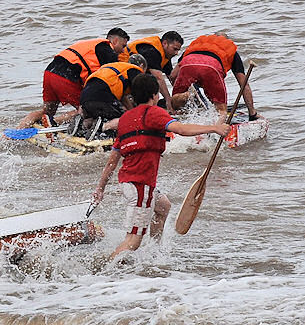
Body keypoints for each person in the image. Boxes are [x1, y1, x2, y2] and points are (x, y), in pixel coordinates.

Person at [92, 73, 231, 260]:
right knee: (133, 241)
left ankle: (154, 253)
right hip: (140, 185)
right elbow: (181, 129)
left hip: (128, 182)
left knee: (163, 206)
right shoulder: (155, 113)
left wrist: (100, 188)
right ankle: (104, 269)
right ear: (155, 95)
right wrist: (213, 128)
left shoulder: (125, 119)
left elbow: (113, 159)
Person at [18, 28, 129, 128]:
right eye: (123, 46)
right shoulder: (109, 52)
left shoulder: (93, 44)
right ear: (114, 41)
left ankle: (22, 127)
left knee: (48, 111)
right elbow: (112, 81)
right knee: (86, 110)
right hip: (66, 77)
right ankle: (54, 122)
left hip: (50, 72)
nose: (123, 51)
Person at [169, 32, 259, 120]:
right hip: (211, 67)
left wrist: (180, 98)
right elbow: (244, 85)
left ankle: (187, 97)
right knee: (221, 110)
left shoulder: (195, 47)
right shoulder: (229, 49)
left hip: (188, 64)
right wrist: (252, 113)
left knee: (177, 98)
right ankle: (218, 130)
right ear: (226, 41)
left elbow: (173, 75)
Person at [78, 54, 146, 134]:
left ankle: (82, 125)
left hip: (85, 96)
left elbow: (123, 98)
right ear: (141, 66)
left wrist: (132, 112)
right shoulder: (135, 70)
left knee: (96, 116)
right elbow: (142, 92)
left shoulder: (119, 68)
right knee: (123, 118)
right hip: (101, 95)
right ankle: (101, 127)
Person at [120, 31, 184, 112]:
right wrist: (168, 101)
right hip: (123, 72)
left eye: (178, 50)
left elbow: (172, 78)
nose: (176, 53)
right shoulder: (152, 51)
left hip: (134, 75)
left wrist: (180, 95)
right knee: (150, 90)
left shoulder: (165, 55)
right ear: (165, 43)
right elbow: (158, 78)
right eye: (174, 49)